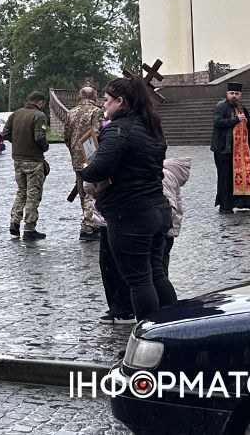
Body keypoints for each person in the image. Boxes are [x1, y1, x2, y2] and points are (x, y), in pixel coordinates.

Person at [81, 77, 177, 322]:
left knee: (139, 279)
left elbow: (99, 169)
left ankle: (150, 335)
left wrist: (86, 168)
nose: (104, 105)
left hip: (130, 214)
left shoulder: (119, 129)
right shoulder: (151, 127)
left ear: (120, 102)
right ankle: (173, 327)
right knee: (157, 273)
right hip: (157, 208)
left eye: (107, 100)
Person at [3, 92, 50, 240]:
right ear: (40, 102)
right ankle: (30, 227)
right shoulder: (39, 116)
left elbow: (5, 133)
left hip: (18, 159)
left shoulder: (15, 114)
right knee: (33, 194)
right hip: (34, 160)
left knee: (21, 191)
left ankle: (14, 222)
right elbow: (40, 137)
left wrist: (18, 142)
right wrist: (45, 147)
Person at [211, 82, 250, 213]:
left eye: (236, 94)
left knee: (242, 174)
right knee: (225, 178)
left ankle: (244, 202)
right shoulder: (220, 106)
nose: (234, 96)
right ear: (227, 94)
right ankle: (225, 206)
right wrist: (235, 120)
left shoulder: (242, 108)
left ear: (240, 95)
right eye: (231, 93)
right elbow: (217, 122)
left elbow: (247, 128)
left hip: (240, 149)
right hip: (224, 149)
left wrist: (247, 145)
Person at [66, 87, 105, 241]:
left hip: (76, 157)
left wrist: (73, 149)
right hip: (91, 156)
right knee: (92, 190)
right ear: (94, 96)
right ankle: (89, 225)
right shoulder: (97, 112)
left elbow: (66, 135)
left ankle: (88, 220)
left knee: (82, 191)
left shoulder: (71, 112)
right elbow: (97, 133)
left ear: (80, 96)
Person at [162, 157, 191, 266]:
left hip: (165, 230)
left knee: (159, 265)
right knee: (162, 263)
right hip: (170, 229)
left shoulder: (165, 176)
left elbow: (170, 206)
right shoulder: (170, 176)